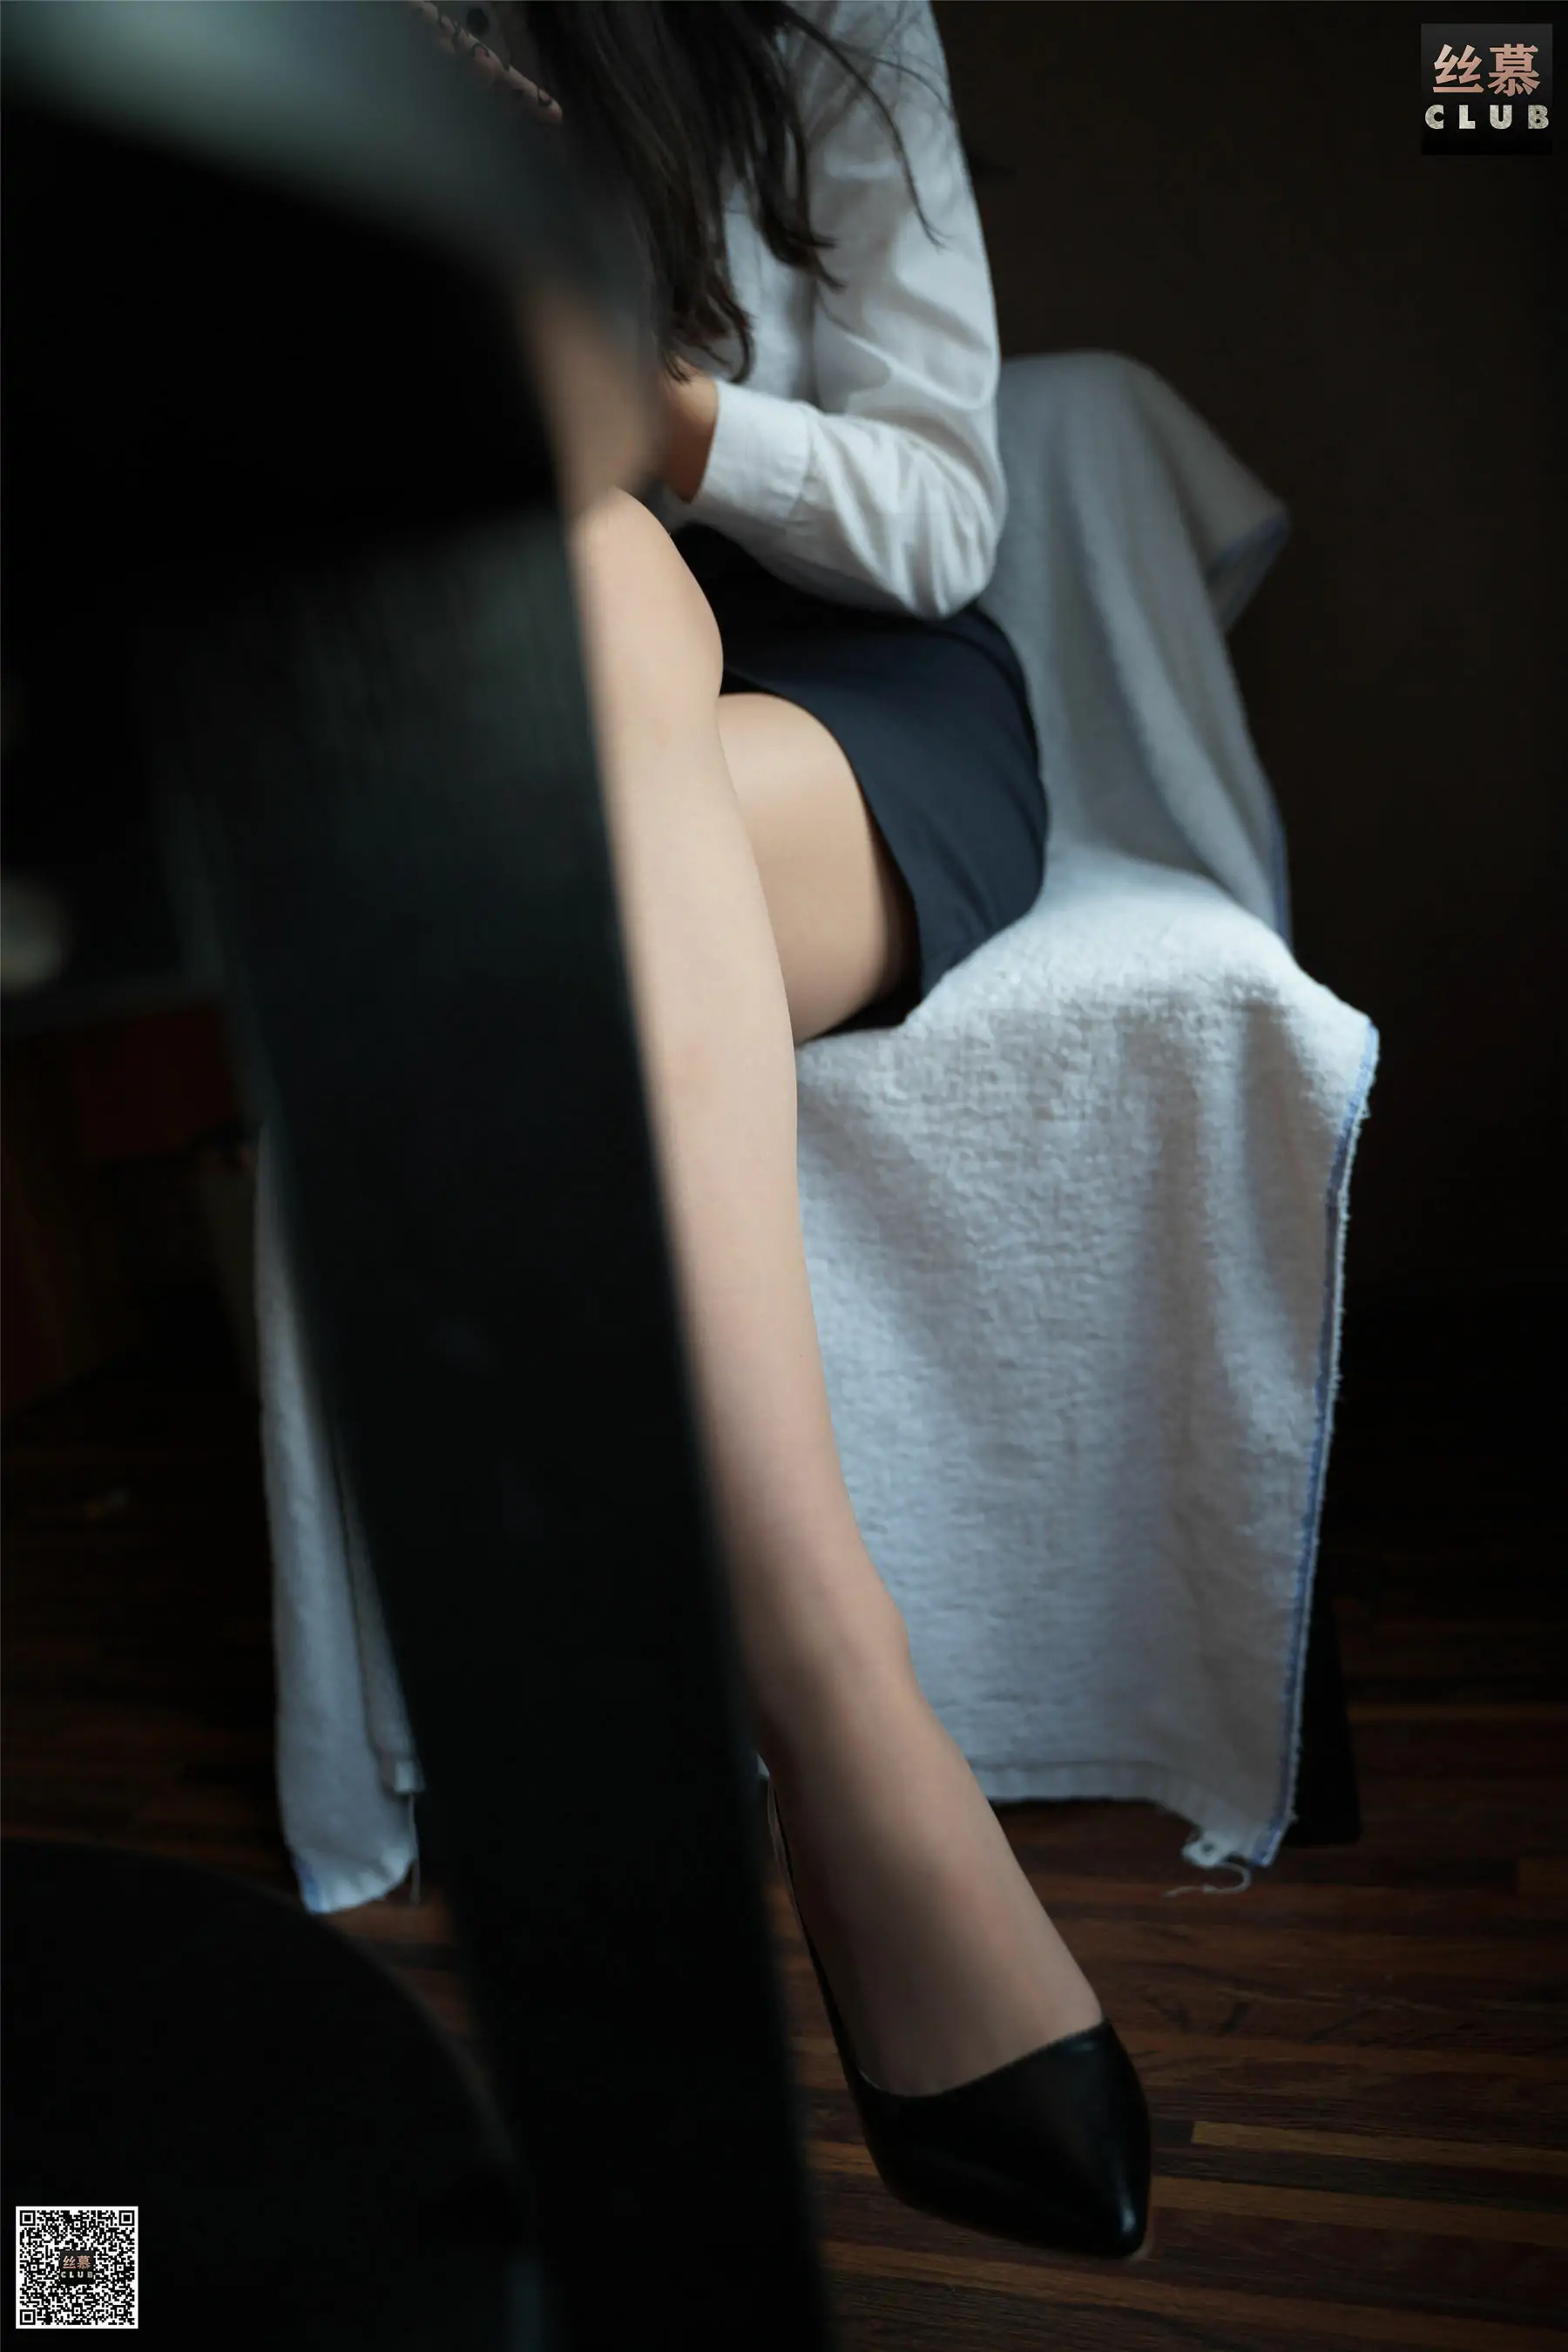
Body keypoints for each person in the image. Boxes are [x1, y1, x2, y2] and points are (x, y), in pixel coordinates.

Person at [412, 0, 1149, 2260]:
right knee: (570, 596)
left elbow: (943, 510)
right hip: (495, 672)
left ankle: (809, 1718)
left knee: (578, 675)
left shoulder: (820, 17)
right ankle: (849, 1726)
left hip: (845, 699)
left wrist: (645, 408)